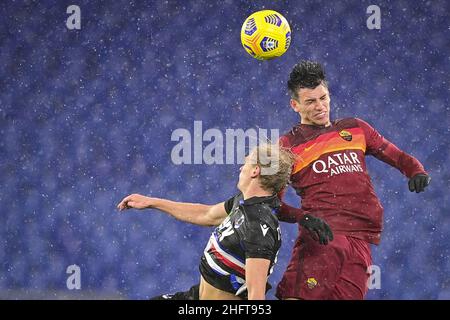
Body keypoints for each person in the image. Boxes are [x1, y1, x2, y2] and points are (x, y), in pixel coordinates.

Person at [275, 60, 431, 300]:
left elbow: (397, 156)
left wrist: (416, 170)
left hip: (361, 240)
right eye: (310, 101)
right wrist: (303, 218)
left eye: (323, 98)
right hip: (323, 237)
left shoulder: (356, 128)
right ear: (294, 105)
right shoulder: (286, 146)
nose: (320, 106)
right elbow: (271, 204)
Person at [117, 144, 295, 300]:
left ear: (255, 170)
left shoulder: (259, 224)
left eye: (246, 163)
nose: (241, 168)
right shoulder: (243, 203)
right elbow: (207, 214)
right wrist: (152, 202)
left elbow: (256, 296)